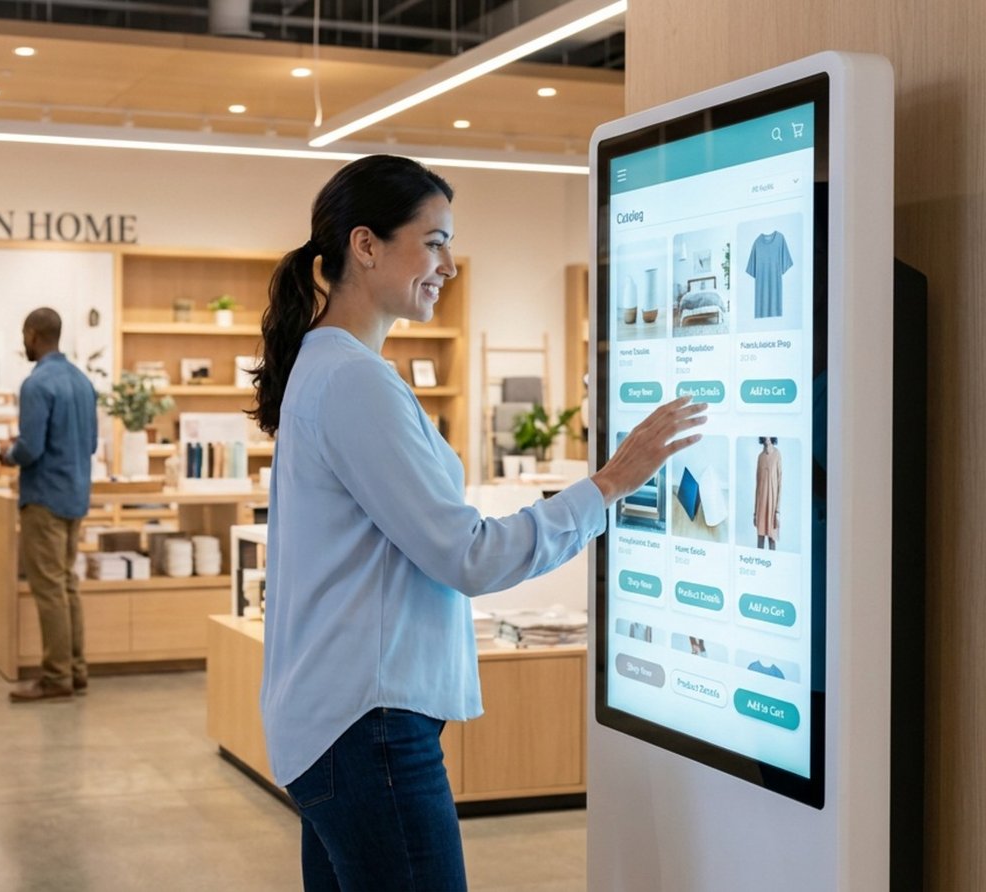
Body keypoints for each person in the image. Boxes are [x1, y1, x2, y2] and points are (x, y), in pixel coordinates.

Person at [252, 155, 707, 890]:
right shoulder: (353, 381)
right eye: (434, 242)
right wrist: (610, 485)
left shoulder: (329, 367)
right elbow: (469, 556)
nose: (449, 264)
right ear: (365, 245)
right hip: (369, 729)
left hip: (338, 725)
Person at [0, 308, 99, 703]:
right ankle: (76, 670)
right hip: (75, 495)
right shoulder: (82, 381)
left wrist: (7, 453)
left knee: (50, 590)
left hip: (43, 498)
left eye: (24, 335)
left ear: (33, 334)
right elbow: (90, 444)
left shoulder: (36, 383)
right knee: (67, 584)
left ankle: (56, 677)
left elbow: (30, 449)